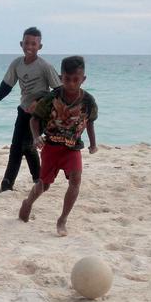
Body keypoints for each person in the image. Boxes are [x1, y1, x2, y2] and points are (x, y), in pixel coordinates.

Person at [0, 27, 62, 193]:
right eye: (27, 42)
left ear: (40, 47)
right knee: (16, 147)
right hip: (23, 111)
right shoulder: (17, 64)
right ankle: (15, 182)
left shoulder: (45, 66)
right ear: (21, 44)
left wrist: (40, 101)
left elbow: (59, 91)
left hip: (40, 114)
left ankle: (30, 180)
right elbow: (4, 89)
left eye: (34, 43)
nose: (30, 46)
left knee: (26, 146)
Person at [18, 56, 97, 237]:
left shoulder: (89, 101)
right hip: (51, 147)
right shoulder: (51, 98)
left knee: (76, 180)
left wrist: (93, 143)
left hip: (72, 148)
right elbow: (34, 119)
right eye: (67, 79)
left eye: (76, 79)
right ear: (61, 78)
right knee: (43, 185)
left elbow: (90, 122)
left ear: (83, 79)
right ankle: (28, 202)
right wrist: (37, 137)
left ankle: (62, 219)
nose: (71, 83)